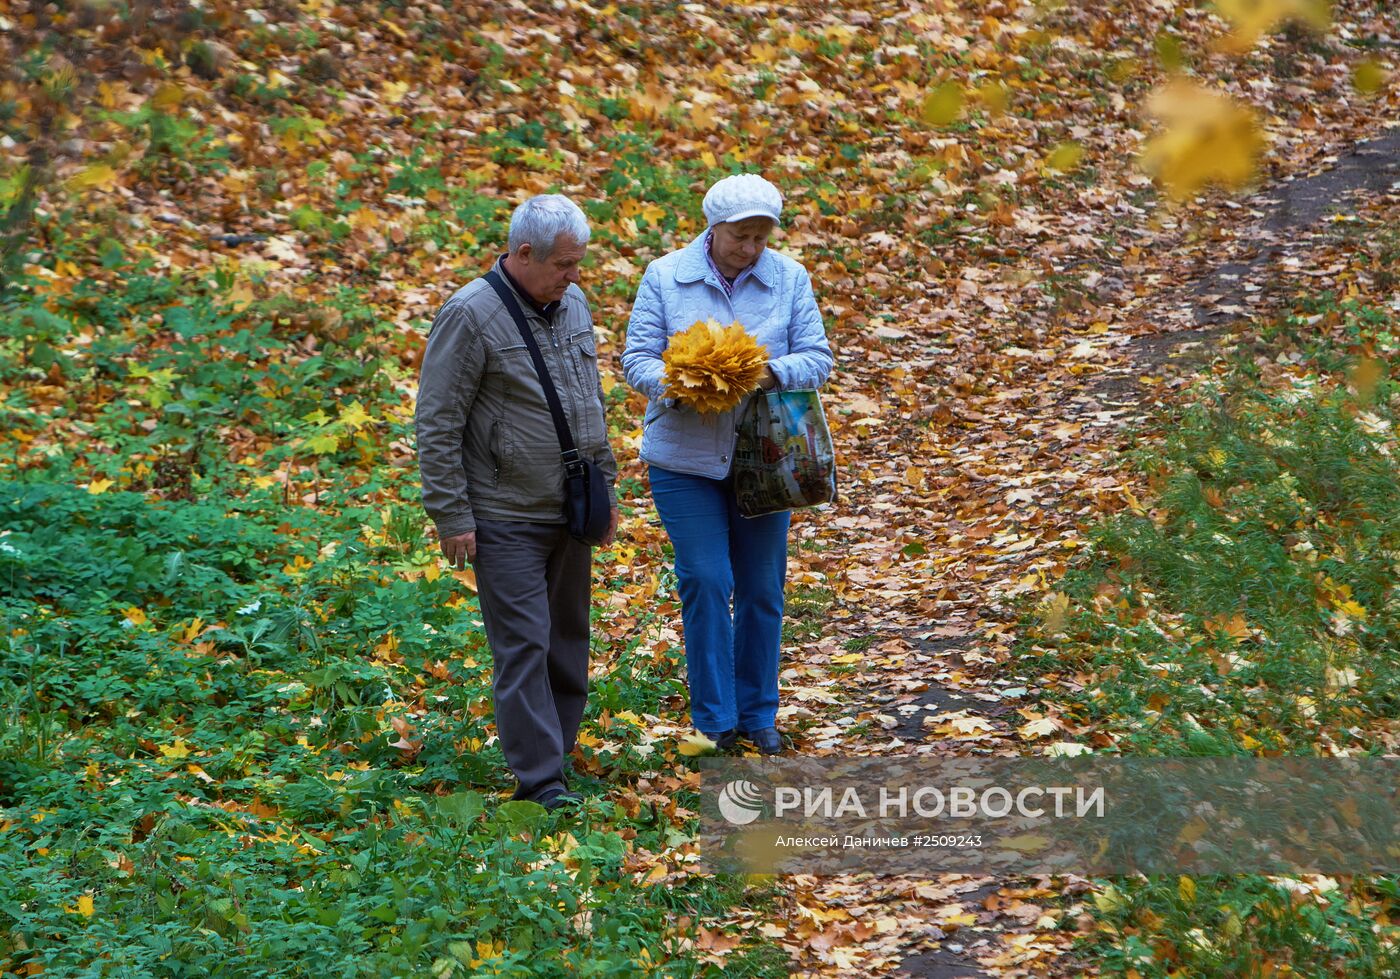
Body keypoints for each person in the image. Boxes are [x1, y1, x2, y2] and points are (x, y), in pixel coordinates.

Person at [415, 194, 618, 810]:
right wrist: (450, 514)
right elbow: (437, 420)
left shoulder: (573, 303)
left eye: (578, 263)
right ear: (523, 253)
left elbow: (589, 399)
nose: (574, 276)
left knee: (568, 639)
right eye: (563, 264)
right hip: (504, 515)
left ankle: (556, 753)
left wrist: (604, 485)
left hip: (572, 507)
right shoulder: (469, 315)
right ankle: (541, 782)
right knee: (524, 644)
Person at [622, 173, 833, 755]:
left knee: (763, 589)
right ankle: (715, 720)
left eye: (763, 237)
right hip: (683, 460)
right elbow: (635, 358)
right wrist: (677, 383)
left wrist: (767, 373)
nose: (752, 248)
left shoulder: (788, 278)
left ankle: (758, 714)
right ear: (713, 229)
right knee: (707, 581)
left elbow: (818, 358)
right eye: (742, 235)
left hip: (765, 459)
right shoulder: (667, 275)